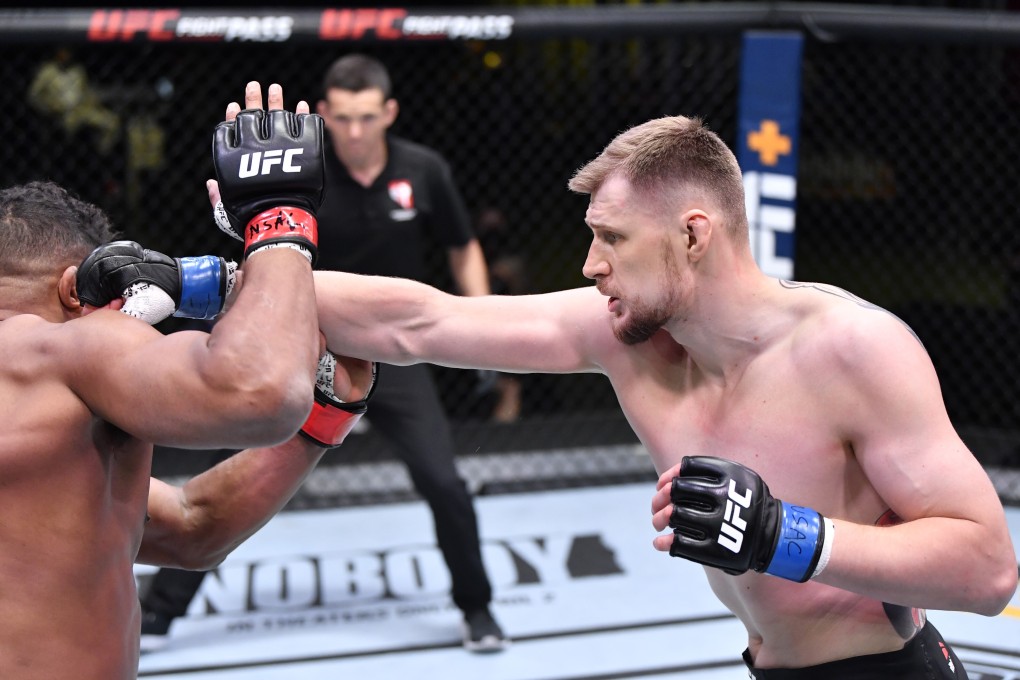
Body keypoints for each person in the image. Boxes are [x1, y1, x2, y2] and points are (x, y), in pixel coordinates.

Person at [296, 115, 1016, 678]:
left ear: (693, 235)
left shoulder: (851, 350)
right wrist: (259, 264)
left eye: (612, 238)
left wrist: (782, 535)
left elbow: (988, 572)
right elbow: (422, 321)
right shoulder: (626, 335)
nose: (591, 265)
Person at [138, 53, 510, 653]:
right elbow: (268, 253)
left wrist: (482, 320)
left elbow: (463, 245)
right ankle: (161, 609)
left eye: (367, 117)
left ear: (389, 112)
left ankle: (478, 607)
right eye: (343, 118)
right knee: (236, 468)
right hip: (307, 343)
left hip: (394, 354)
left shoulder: (424, 169)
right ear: (325, 115)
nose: (355, 131)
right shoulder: (303, 174)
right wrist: (246, 226)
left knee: (443, 479)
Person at [0, 81, 332, 680]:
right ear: (75, 288)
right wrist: (278, 220)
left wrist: (323, 415)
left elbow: (192, 528)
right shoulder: (59, 346)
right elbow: (261, 391)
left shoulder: (40, 449)